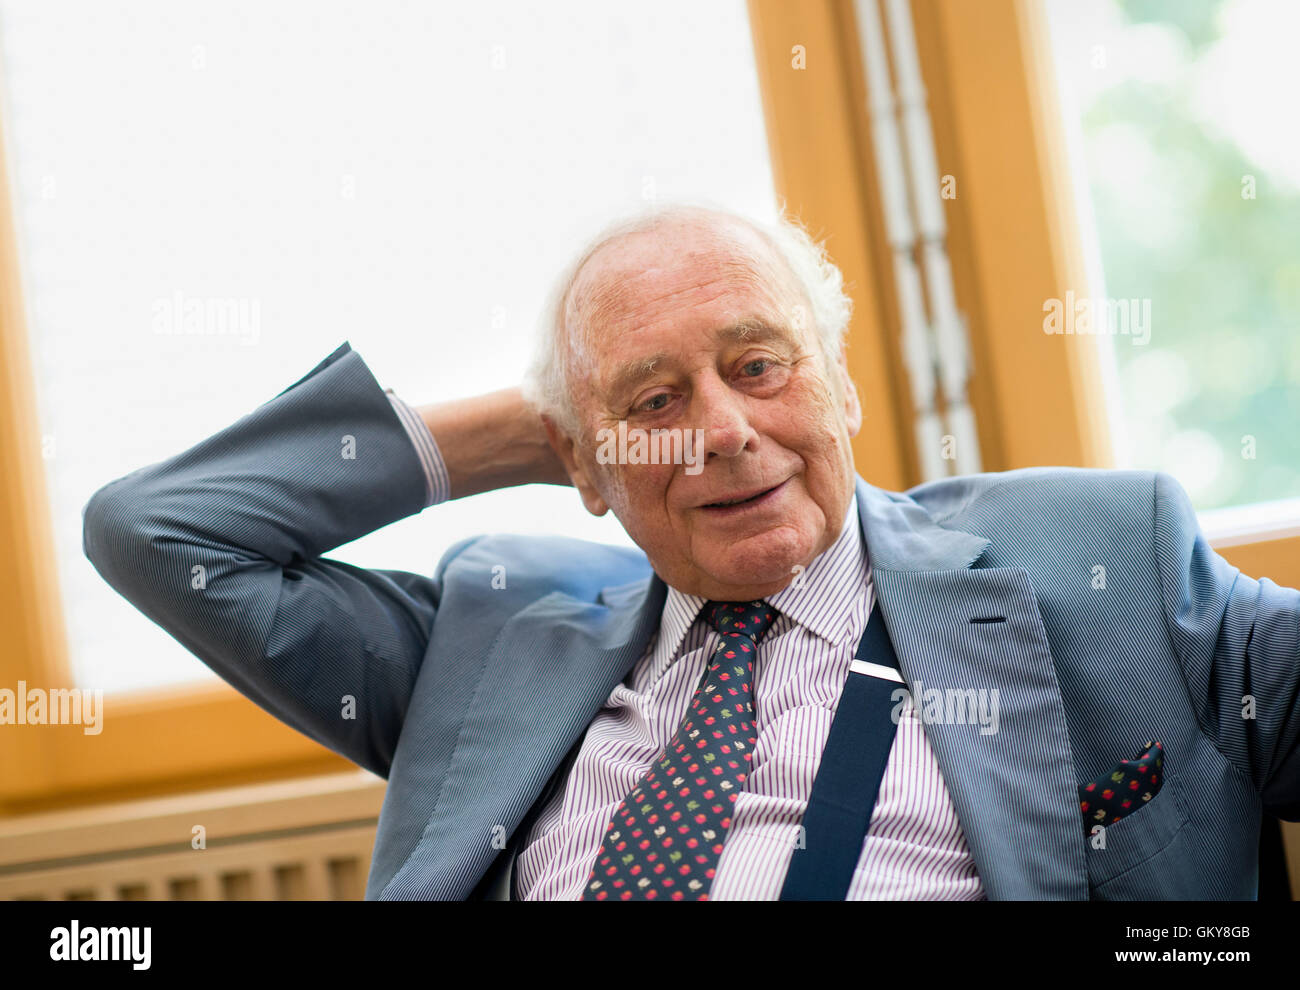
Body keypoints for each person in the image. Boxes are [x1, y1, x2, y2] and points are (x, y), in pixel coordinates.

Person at [83, 204, 1300, 900]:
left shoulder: (1100, 551)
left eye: (759, 367)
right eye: (656, 401)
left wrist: (630, 421)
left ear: (838, 384)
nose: (725, 433)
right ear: (587, 461)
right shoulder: (488, 633)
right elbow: (160, 533)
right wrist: (549, 435)